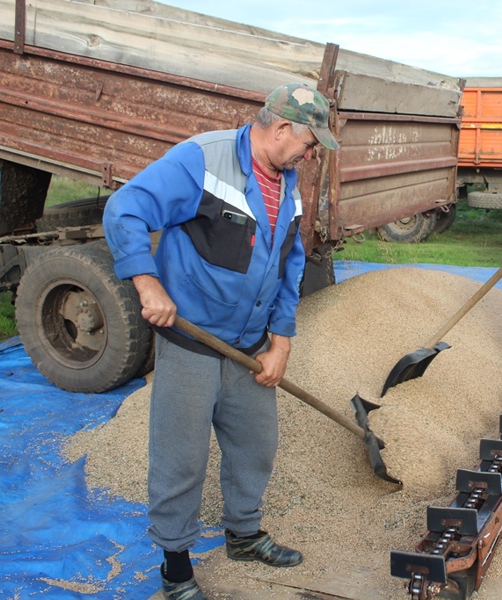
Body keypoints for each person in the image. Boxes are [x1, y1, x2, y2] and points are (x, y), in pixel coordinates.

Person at [103, 83, 339, 599]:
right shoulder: (201, 160)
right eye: (309, 142)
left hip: (249, 344)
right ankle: (175, 566)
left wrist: (281, 342)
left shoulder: (289, 181)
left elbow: (289, 263)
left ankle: (244, 534)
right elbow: (126, 209)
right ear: (280, 129)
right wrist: (147, 283)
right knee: (180, 458)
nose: (312, 152)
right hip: (192, 341)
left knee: (256, 444)